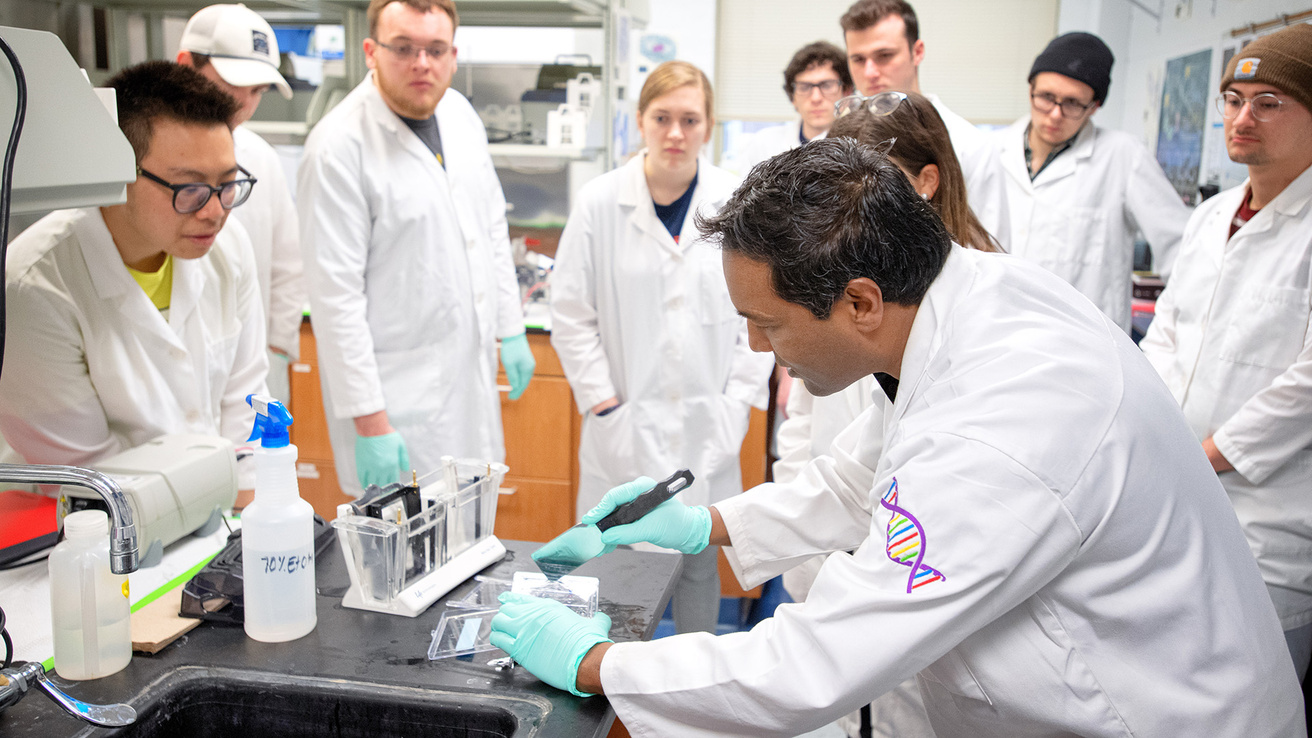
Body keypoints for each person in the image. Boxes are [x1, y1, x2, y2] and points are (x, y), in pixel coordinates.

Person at [489, 138, 1304, 737]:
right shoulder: (961, 298)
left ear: (862, 302)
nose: (755, 350)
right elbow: (864, 481)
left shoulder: (1004, 424)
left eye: (767, 324)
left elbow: (823, 659)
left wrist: (601, 664)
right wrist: (710, 523)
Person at [769, 92, 999, 738]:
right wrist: (720, 522)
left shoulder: (964, 320)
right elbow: (838, 458)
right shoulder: (851, 289)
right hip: (835, 557)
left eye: (870, 186)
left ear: (927, 182)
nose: (847, 218)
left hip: (918, 592)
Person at [549, 61, 774, 635]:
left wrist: (737, 404)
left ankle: (691, 702)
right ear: (640, 122)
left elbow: (766, 312)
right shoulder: (600, 203)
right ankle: (612, 702)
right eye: (663, 118)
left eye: (690, 119)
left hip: (708, 427)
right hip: (622, 425)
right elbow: (571, 316)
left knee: (699, 568)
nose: (676, 133)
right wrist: (604, 407)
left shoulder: (738, 201)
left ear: (710, 126)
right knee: (616, 575)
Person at [298, 0, 534, 494]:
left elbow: (490, 226)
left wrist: (511, 328)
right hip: (396, 409)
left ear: (453, 53)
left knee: (472, 544)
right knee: (404, 561)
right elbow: (336, 299)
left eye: (434, 49)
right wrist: (370, 423)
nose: (421, 63)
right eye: (403, 48)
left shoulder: (460, 114)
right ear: (371, 51)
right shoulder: (338, 147)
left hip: (467, 388)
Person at [1140, 23, 1312, 681]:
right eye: (1234, 100)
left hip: (1271, 523)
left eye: (1269, 102)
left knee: (1252, 699)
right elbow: (1169, 333)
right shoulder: (1211, 216)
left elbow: (1307, 383)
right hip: (1176, 496)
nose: (1243, 118)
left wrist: (1210, 454)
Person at [0, 62, 267, 483]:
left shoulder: (227, 250)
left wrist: (254, 515)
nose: (215, 212)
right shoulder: (33, 287)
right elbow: (89, 474)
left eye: (228, 184)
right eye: (190, 190)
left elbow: (246, 402)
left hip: (218, 512)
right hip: (89, 528)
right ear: (120, 171)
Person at [997, 32, 1190, 334]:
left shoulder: (1123, 157)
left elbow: (1182, 254)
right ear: (1031, 88)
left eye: (1073, 103)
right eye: (1046, 97)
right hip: (996, 333)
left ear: (1095, 106)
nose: (1055, 114)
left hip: (1082, 346)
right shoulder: (992, 152)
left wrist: (1170, 337)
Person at [178, 3, 305, 406]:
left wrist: (277, 350)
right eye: (233, 84)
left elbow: (287, 266)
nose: (244, 103)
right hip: (174, 364)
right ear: (186, 65)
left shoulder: (261, 158)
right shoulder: (140, 155)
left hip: (253, 367)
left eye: (257, 91)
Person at [840, 0, 1010, 249]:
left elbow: (992, 258)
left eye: (884, 56)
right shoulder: (834, 140)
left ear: (917, 51)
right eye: (858, 59)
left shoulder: (971, 146)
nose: (870, 72)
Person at [726, 41, 853, 175]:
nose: (816, 98)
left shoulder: (860, 145)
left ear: (847, 92)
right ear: (793, 97)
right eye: (805, 87)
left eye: (827, 85)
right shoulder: (763, 144)